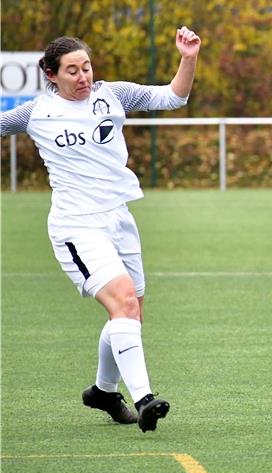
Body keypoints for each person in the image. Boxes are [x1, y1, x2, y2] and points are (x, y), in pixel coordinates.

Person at [1, 27, 201, 432]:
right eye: (72, 70)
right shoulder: (35, 112)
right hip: (76, 225)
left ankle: (103, 392)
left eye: (86, 67)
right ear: (51, 74)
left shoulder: (113, 95)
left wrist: (189, 57)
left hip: (119, 220)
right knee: (124, 303)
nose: (83, 77)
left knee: (131, 315)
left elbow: (173, 96)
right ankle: (145, 398)